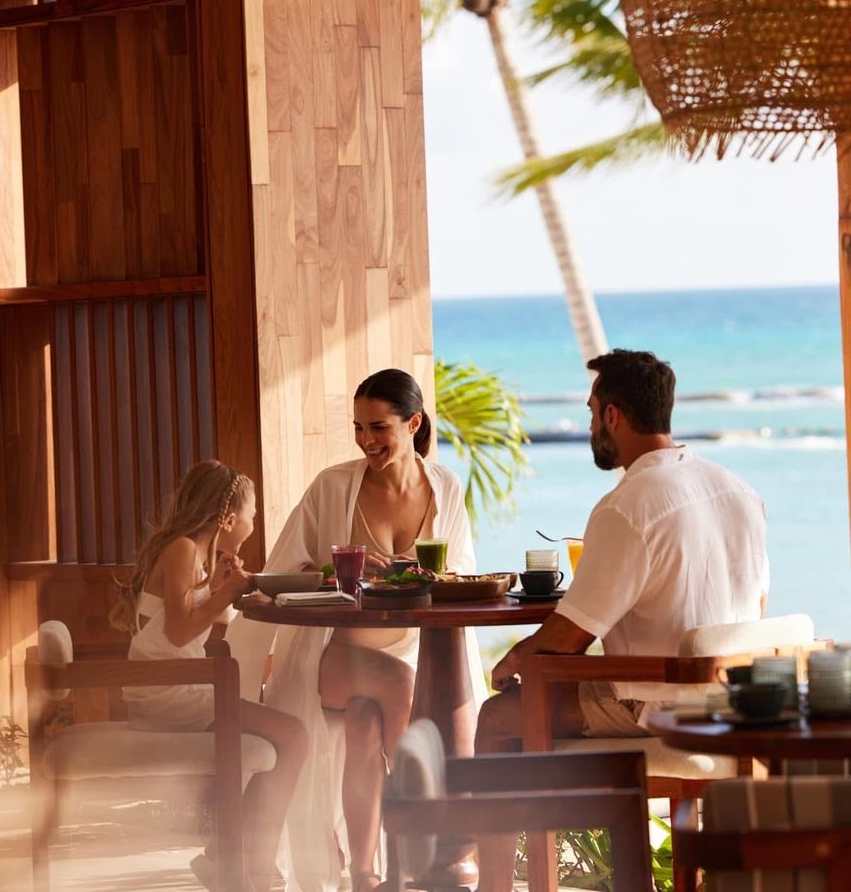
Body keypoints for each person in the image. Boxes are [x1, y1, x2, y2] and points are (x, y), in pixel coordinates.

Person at [473, 349, 770, 892]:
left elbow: (566, 640)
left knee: (497, 720)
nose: (589, 426)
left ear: (613, 415)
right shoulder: (739, 490)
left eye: (591, 412)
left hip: (658, 707)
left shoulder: (628, 506)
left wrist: (515, 660)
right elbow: (757, 606)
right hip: (731, 706)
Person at [229, 369, 480, 892]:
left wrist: (426, 577)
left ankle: (367, 876)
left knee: (367, 725)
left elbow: (458, 575)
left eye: (379, 428)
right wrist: (338, 573)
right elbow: (286, 571)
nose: (367, 441)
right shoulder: (333, 486)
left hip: (408, 651)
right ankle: (427, 846)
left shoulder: (446, 487)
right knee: (399, 688)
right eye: (358, 428)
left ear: (413, 423)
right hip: (334, 657)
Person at [110, 460, 308, 892]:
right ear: (230, 519)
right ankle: (248, 865)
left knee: (287, 733)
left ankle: (231, 856)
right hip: (168, 689)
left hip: (173, 681)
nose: (255, 523)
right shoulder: (182, 548)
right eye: (253, 516)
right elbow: (182, 630)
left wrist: (217, 588)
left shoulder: (193, 553)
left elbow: (179, 623)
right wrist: (227, 594)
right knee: (294, 735)